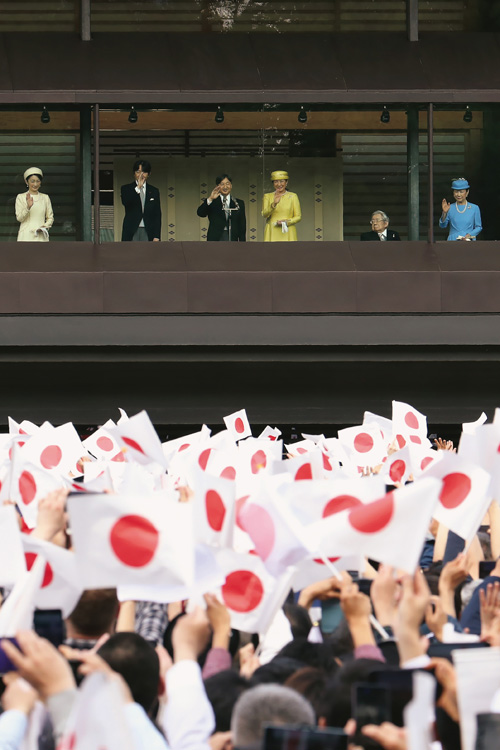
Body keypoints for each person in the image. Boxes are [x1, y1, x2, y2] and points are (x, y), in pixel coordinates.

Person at [197, 174, 246, 241]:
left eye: (227, 184)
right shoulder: (212, 201)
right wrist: (210, 198)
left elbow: (242, 226)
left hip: (232, 238)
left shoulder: (238, 203)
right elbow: (200, 213)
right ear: (217, 186)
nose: (225, 187)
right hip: (215, 238)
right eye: (222, 184)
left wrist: (242, 244)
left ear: (231, 185)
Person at [121, 159, 161, 241]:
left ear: (149, 174)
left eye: (144, 172)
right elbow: (126, 202)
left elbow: (157, 214)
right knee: (131, 253)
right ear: (134, 173)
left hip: (148, 230)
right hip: (131, 230)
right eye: (138, 172)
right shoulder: (126, 188)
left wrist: (157, 235)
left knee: (147, 253)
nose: (141, 175)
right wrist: (138, 188)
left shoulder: (154, 191)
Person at [15, 167, 54, 242]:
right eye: (32, 181)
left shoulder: (45, 197)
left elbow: (50, 217)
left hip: (41, 236)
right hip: (25, 236)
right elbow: (19, 218)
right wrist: (28, 207)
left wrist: (44, 227)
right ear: (27, 182)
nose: (35, 184)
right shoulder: (21, 197)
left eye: (38, 181)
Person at [262, 170, 301, 242]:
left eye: (282, 181)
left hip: (288, 231)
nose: (279, 184)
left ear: (286, 182)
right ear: (273, 183)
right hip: (272, 230)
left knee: (288, 252)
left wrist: (286, 222)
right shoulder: (268, 196)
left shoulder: (293, 196)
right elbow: (264, 214)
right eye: (276, 181)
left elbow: (298, 217)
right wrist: (274, 204)